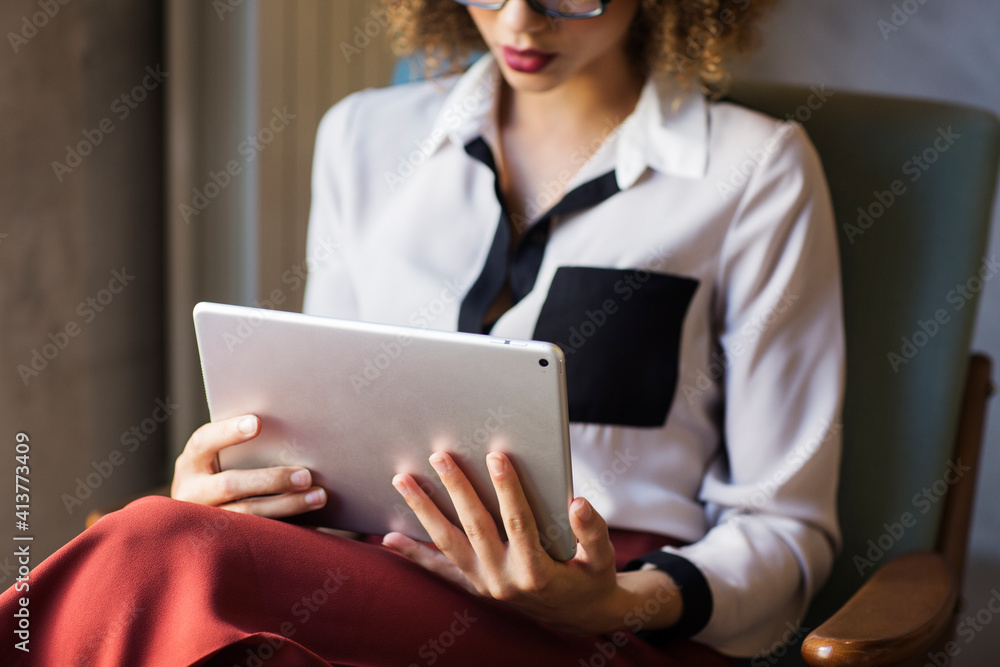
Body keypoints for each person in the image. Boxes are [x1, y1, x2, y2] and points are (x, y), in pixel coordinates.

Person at [1, 0, 844, 664]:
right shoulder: (364, 138)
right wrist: (244, 494)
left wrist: (619, 601)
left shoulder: (756, 171)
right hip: (375, 585)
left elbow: (789, 534)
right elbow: (321, 438)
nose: (519, 18)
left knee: (155, 557)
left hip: (604, 625)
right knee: (178, 558)